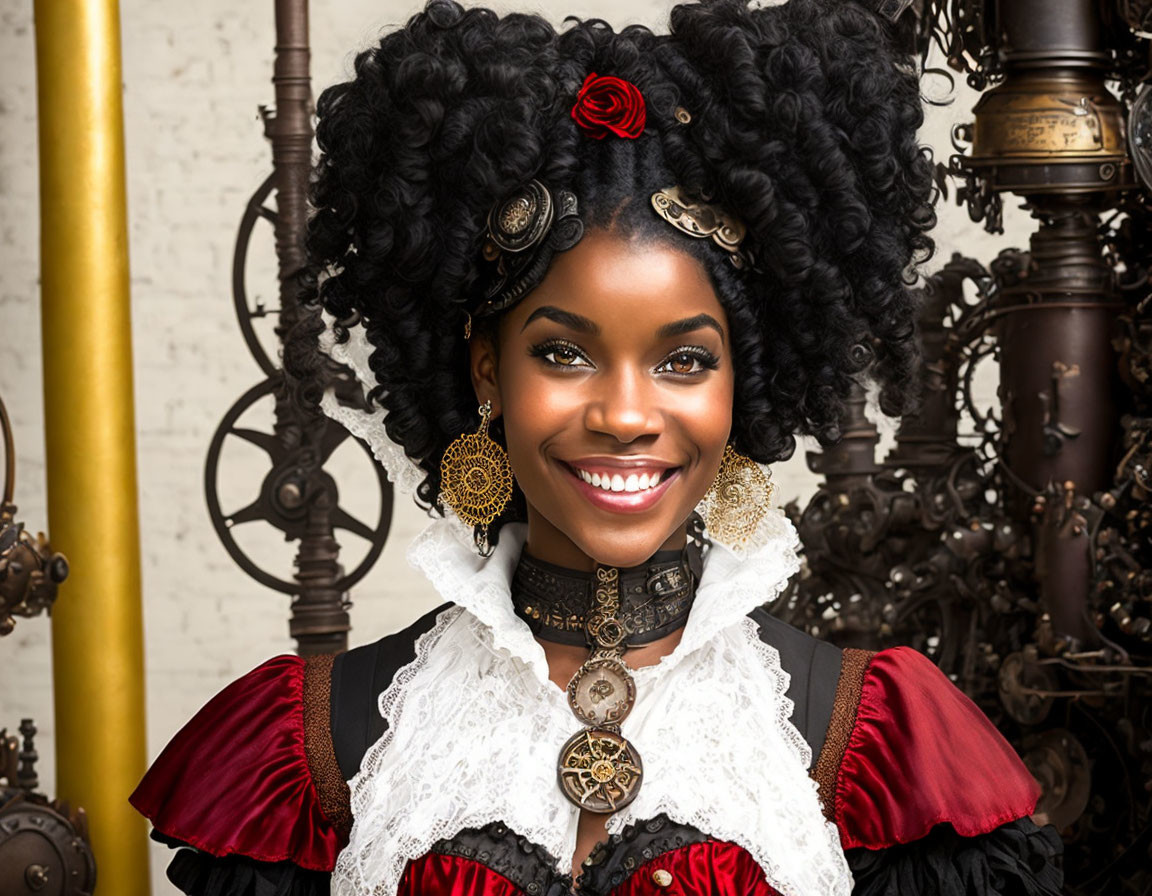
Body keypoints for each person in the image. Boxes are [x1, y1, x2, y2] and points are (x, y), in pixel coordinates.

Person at [131, 1, 1064, 893]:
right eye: (563, 353)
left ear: (743, 384)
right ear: (486, 371)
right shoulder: (316, 747)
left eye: (685, 359)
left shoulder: (869, 744)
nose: (625, 413)